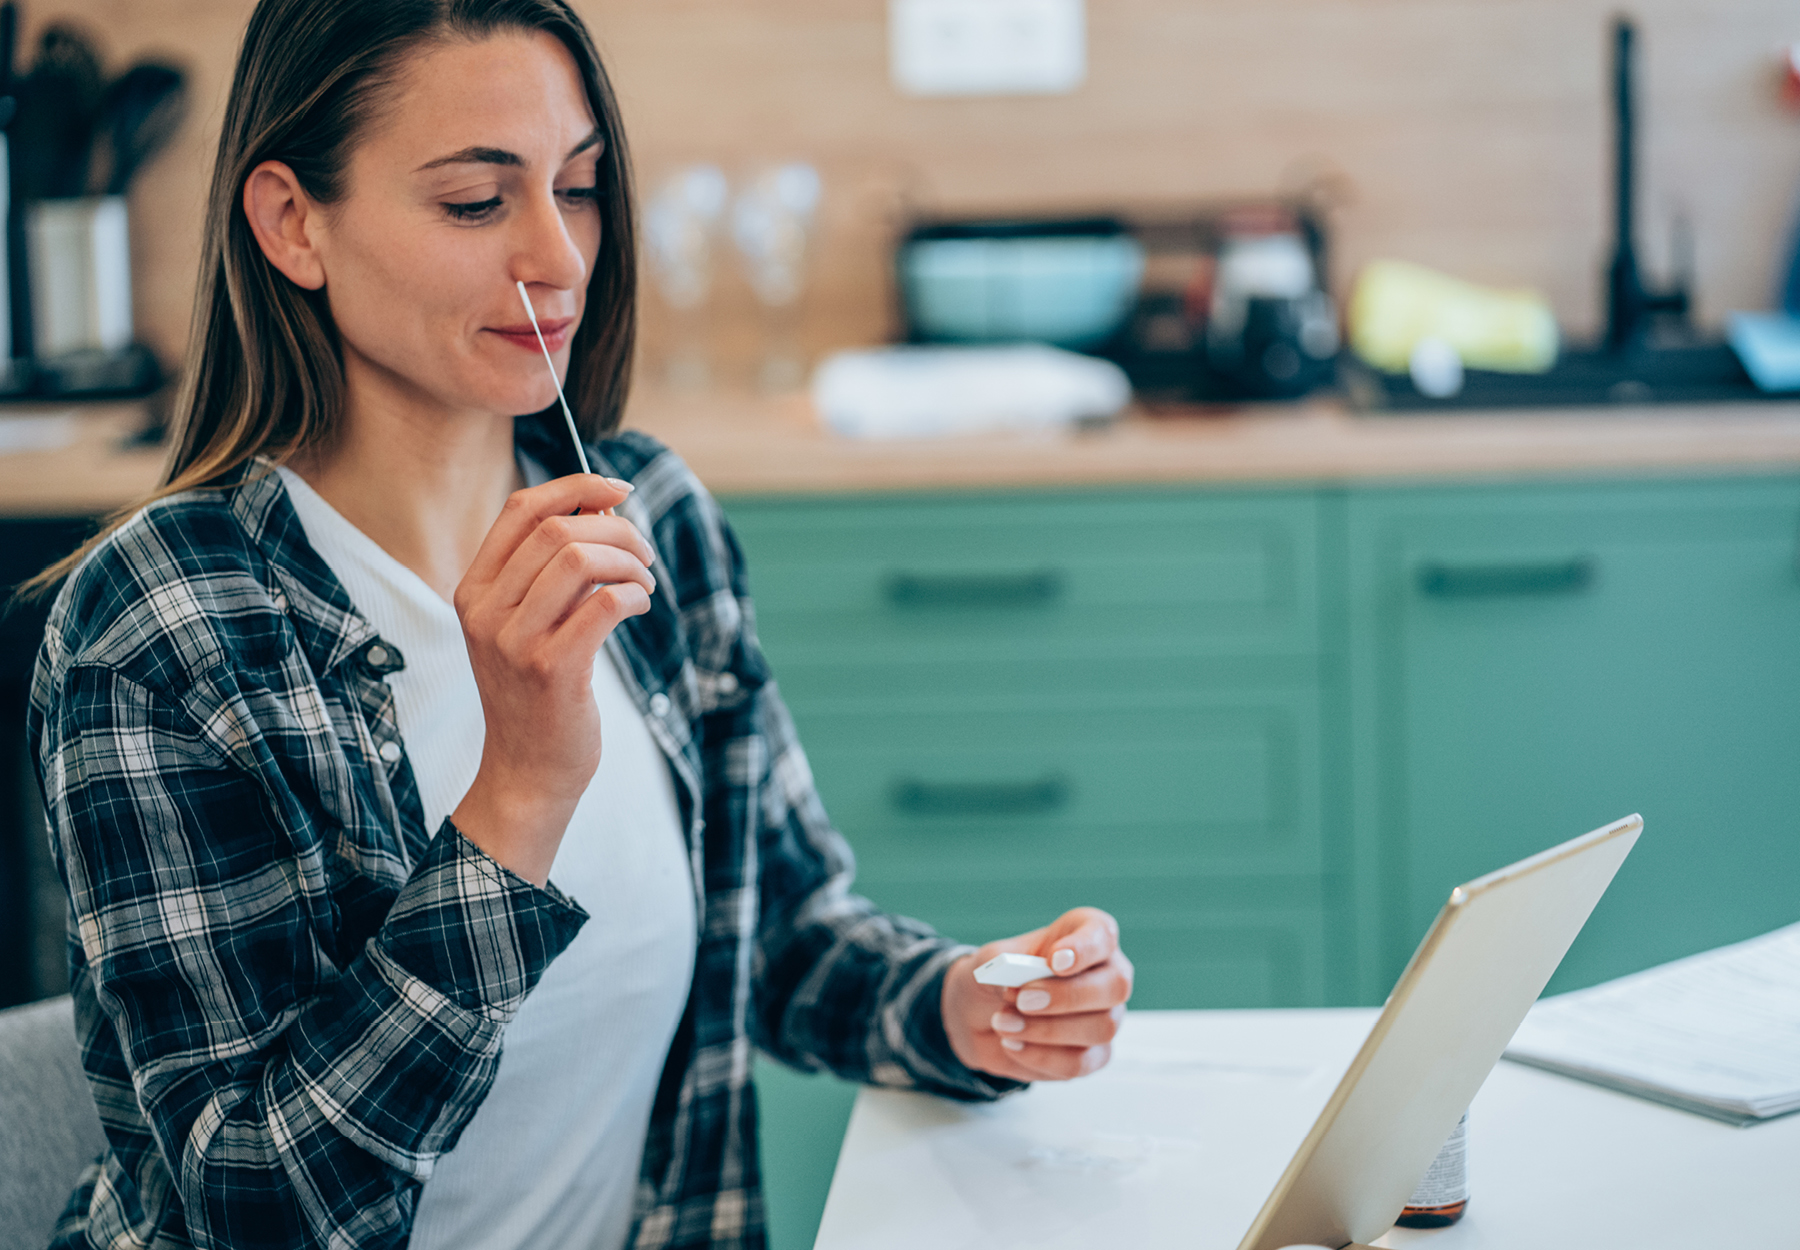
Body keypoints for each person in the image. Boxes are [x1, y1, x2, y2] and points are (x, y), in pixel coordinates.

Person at [24, 1, 1134, 1247]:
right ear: (293, 223)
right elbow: (256, 1204)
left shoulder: (649, 510)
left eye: (582, 185)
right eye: (474, 203)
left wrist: (960, 1004)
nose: (557, 254)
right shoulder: (158, 629)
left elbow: (775, 931)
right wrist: (517, 798)